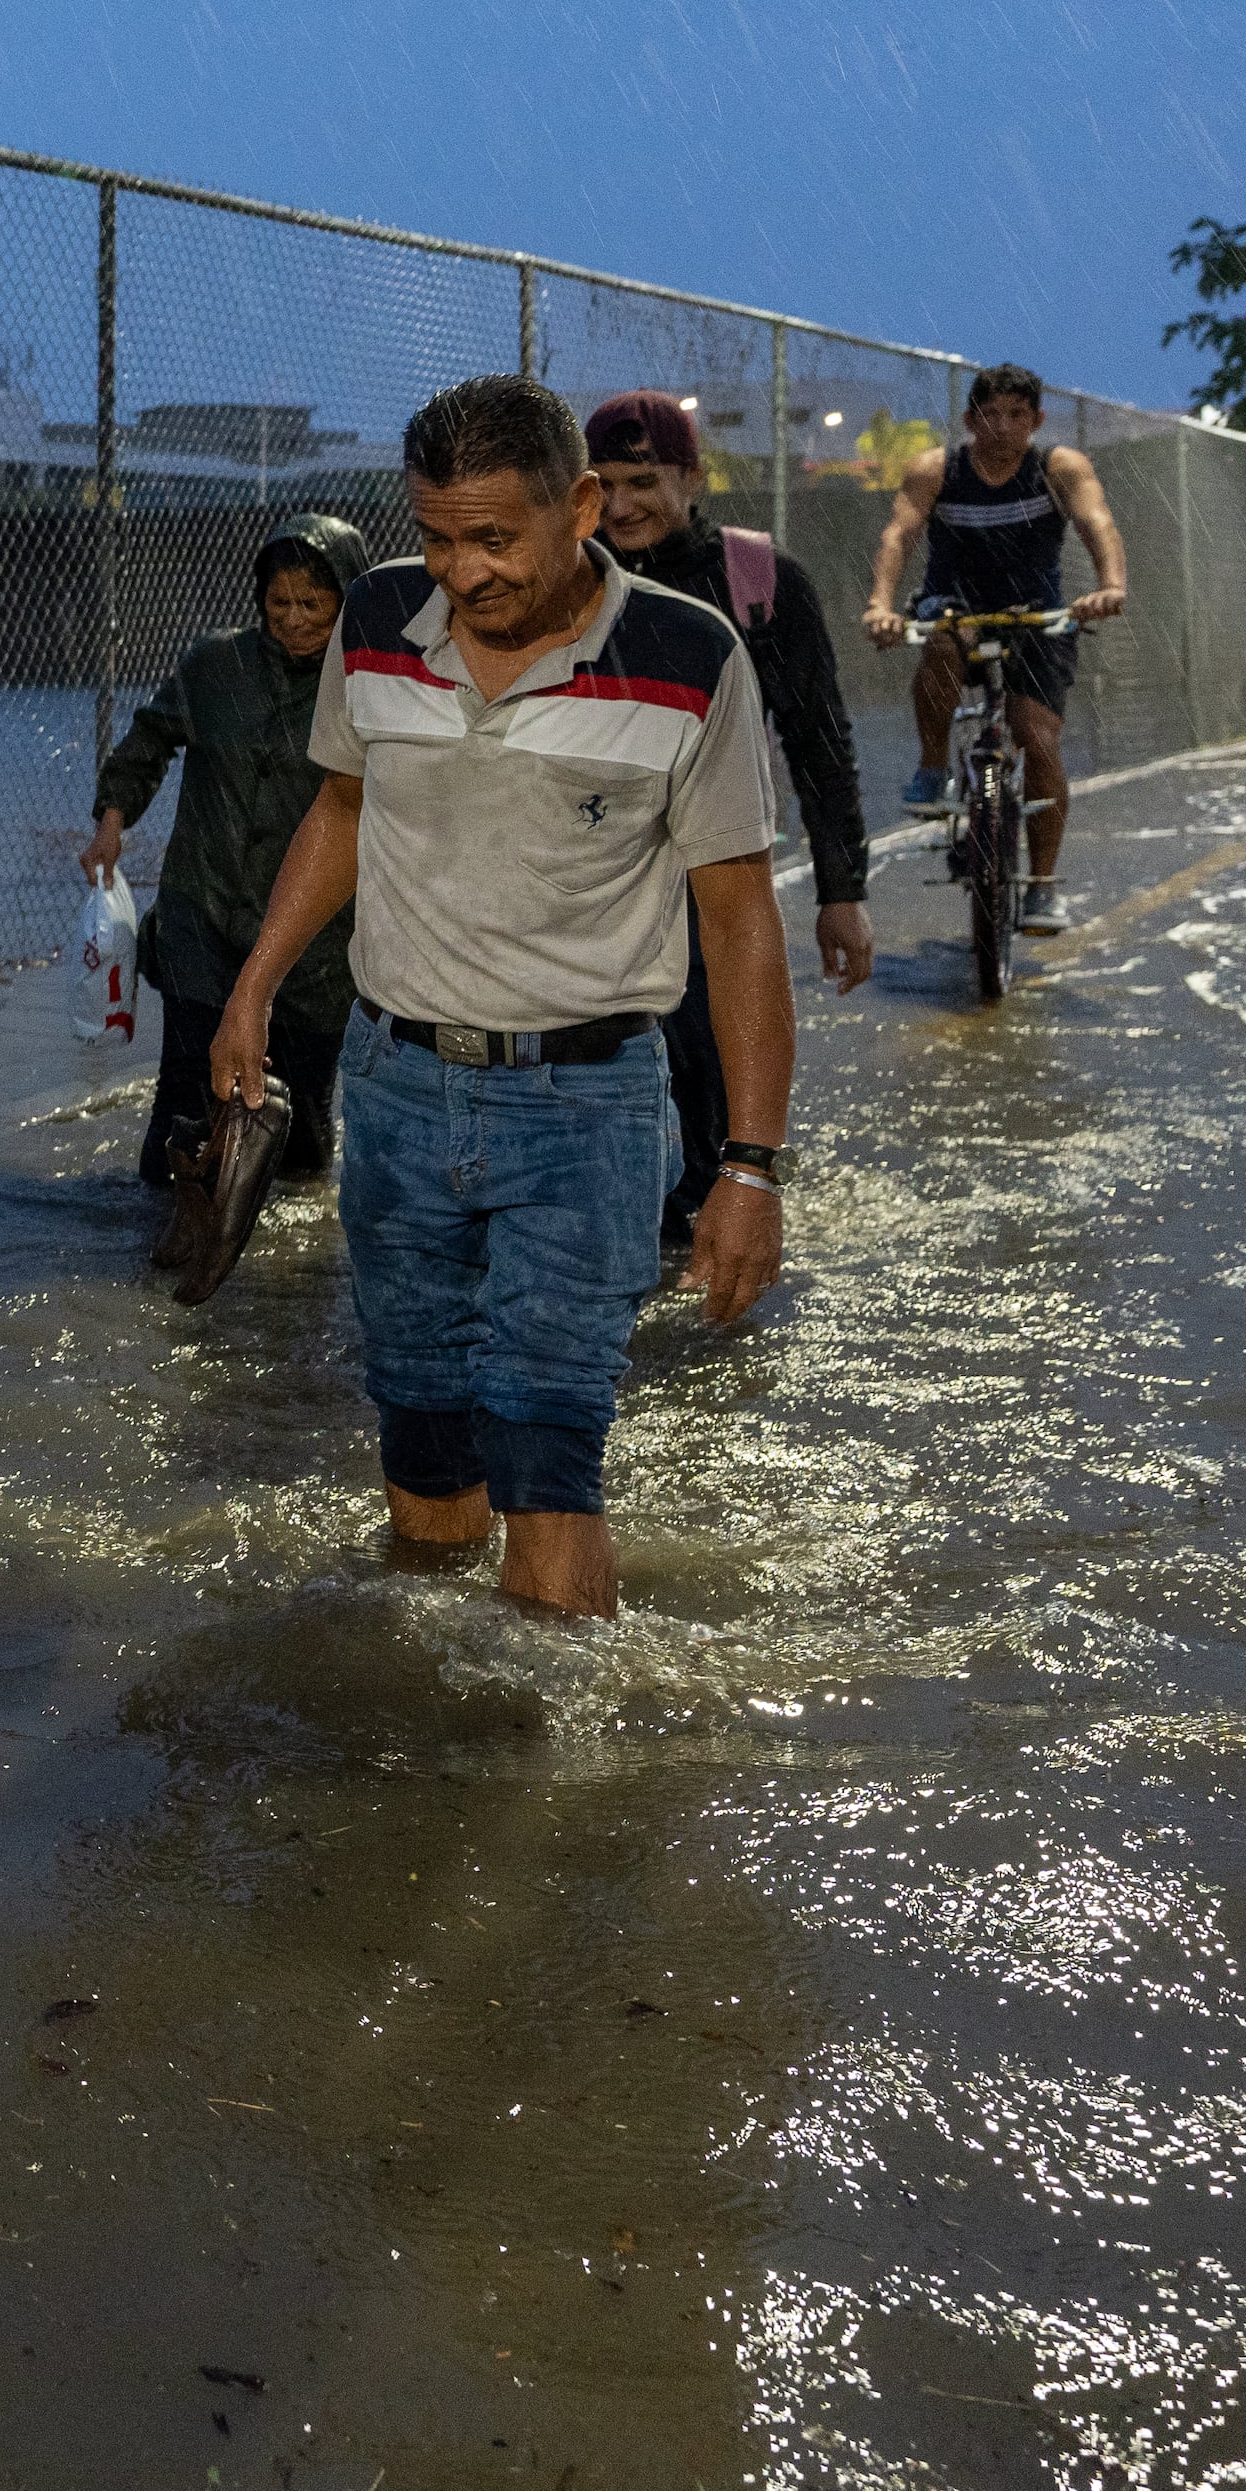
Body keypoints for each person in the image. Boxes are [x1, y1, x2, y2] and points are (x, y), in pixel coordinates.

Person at [211, 375, 792, 1620]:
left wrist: (749, 1167)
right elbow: (342, 808)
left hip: (584, 1113)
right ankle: (425, 1743)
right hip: (396, 1088)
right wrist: (250, 987)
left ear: (577, 505)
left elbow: (740, 920)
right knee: (420, 1454)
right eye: (432, 537)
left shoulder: (689, 659)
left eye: (491, 539)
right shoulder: (371, 620)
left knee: (545, 1460)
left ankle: (551, 1783)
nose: (458, 572)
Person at [579, 393, 872, 1273]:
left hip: (711, 871)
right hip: (588, 871)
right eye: (605, 483)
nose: (623, 504)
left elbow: (819, 738)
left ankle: (700, 1242)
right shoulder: (566, 578)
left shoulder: (758, 582)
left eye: (645, 481)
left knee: (703, 1055)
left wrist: (842, 892)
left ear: (694, 478)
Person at [80, 516, 362, 1204]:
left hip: (311, 939)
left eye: (312, 605)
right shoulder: (214, 667)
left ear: (349, 601)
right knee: (185, 1094)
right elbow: (147, 742)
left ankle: (289, 1269)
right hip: (201, 912)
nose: (293, 620)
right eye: (279, 603)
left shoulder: (366, 683)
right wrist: (111, 823)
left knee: (299, 1122)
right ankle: (162, 1235)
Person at [860, 363, 1129, 936]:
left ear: (1037, 421)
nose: (1002, 427)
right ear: (969, 419)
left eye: (1016, 415)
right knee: (941, 638)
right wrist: (881, 604)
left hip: (1035, 612)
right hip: (955, 603)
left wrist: (1110, 585)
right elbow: (899, 533)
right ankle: (933, 768)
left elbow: (1096, 520)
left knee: (1037, 736)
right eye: (990, 414)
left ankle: (1042, 886)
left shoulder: (1059, 467)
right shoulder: (937, 470)